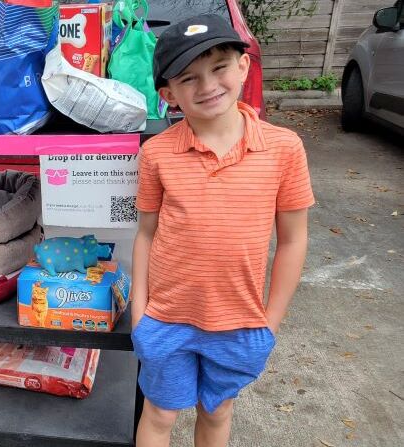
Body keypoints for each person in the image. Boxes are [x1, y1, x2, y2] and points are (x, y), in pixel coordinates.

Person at [130, 14, 314, 447]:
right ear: (168, 95)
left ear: (244, 67)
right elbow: (146, 234)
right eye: (188, 78)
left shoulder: (284, 149)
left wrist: (270, 323)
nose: (207, 85)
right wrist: (140, 315)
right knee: (158, 411)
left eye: (219, 67)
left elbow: (293, 239)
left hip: (241, 323)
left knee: (218, 411)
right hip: (166, 319)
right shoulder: (156, 154)